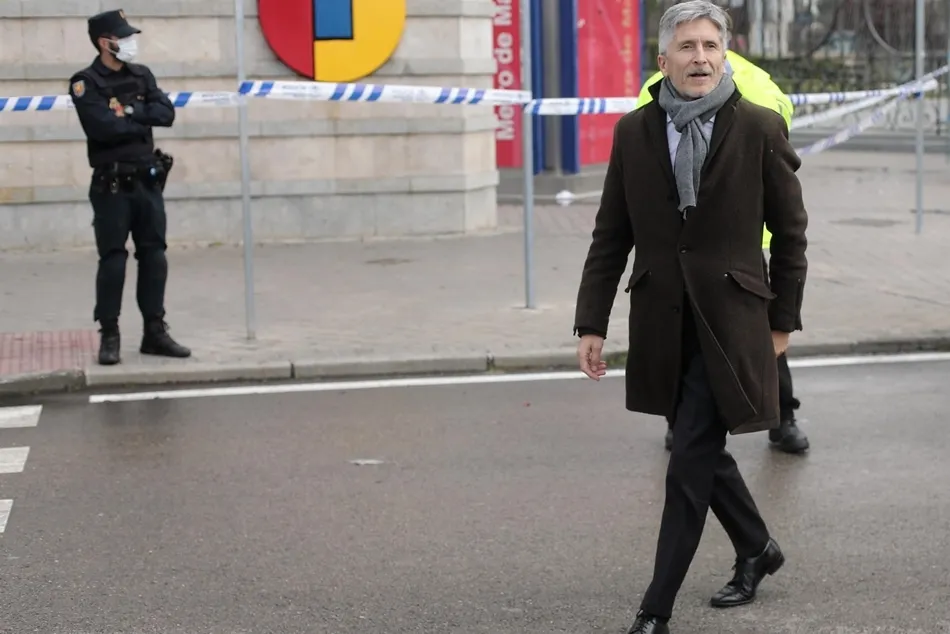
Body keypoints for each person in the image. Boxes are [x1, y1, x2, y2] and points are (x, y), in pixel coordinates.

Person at [572, 2, 808, 632]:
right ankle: (757, 546)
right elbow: (610, 234)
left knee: (687, 463)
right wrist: (591, 322)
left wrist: (782, 323)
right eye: (686, 46)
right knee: (701, 447)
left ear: (724, 56)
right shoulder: (633, 132)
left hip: (732, 323)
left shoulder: (758, 127)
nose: (699, 57)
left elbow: (791, 234)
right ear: (663, 60)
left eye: (709, 46)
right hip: (663, 322)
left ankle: (655, 609)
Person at [639, 53, 809, 454]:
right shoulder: (660, 80)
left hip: (741, 243)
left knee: (759, 336)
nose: (700, 54)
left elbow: (776, 136)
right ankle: (681, 421)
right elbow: (646, 148)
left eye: (710, 41)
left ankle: (780, 414)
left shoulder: (753, 81)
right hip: (680, 238)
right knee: (681, 332)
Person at [69, 9, 191, 365]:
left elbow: (166, 114)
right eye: (121, 37)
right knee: (113, 260)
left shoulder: (142, 74)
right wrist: (139, 115)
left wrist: (128, 112)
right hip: (111, 185)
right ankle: (109, 333)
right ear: (103, 42)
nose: (128, 42)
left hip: (147, 181)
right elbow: (103, 128)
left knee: (154, 256)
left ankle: (155, 331)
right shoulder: (85, 82)